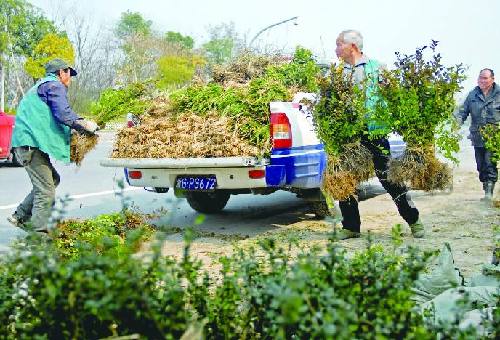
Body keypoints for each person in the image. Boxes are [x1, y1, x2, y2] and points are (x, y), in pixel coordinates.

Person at [325, 29, 423, 239]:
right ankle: (351, 227)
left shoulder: (376, 68)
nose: (336, 49)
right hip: (348, 135)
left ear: (352, 46)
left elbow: (394, 96)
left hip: (375, 133)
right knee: (346, 178)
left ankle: (413, 219)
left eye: (339, 44)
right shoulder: (337, 73)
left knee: (388, 178)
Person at [7, 58, 98, 233]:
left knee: (52, 180)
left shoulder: (42, 86)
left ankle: (20, 216)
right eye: (68, 72)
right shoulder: (54, 86)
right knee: (46, 191)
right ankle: (38, 236)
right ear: (60, 73)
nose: (70, 77)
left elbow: (51, 118)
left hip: (28, 144)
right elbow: (63, 114)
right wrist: (84, 125)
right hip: (30, 145)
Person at [456, 68, 499, 201]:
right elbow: (463, 111)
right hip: (477, 136)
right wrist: (456, 122)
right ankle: (486, 189)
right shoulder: (472, 94)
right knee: (480, 165)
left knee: (489, 162)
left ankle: (489, 194)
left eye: (485, 78)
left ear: (492, 79)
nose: (482, 80)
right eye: (481, 78)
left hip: (494, 136)